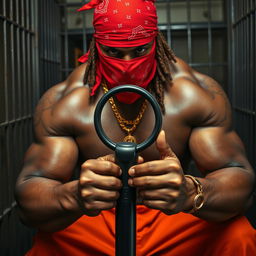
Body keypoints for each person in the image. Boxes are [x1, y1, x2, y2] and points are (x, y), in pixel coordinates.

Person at [15, 0, 256, 255]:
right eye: (114, 52)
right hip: (97, 216)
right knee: (47, 246)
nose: (127, 64)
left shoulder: (195, 95)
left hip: (171, 214)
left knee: (238, 236)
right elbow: (29, 200)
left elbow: (240, 181)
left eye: (140, 50)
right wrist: (74, 196)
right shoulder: (66, 103)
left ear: (156, 41)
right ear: (96, 45)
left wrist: (190, 190)